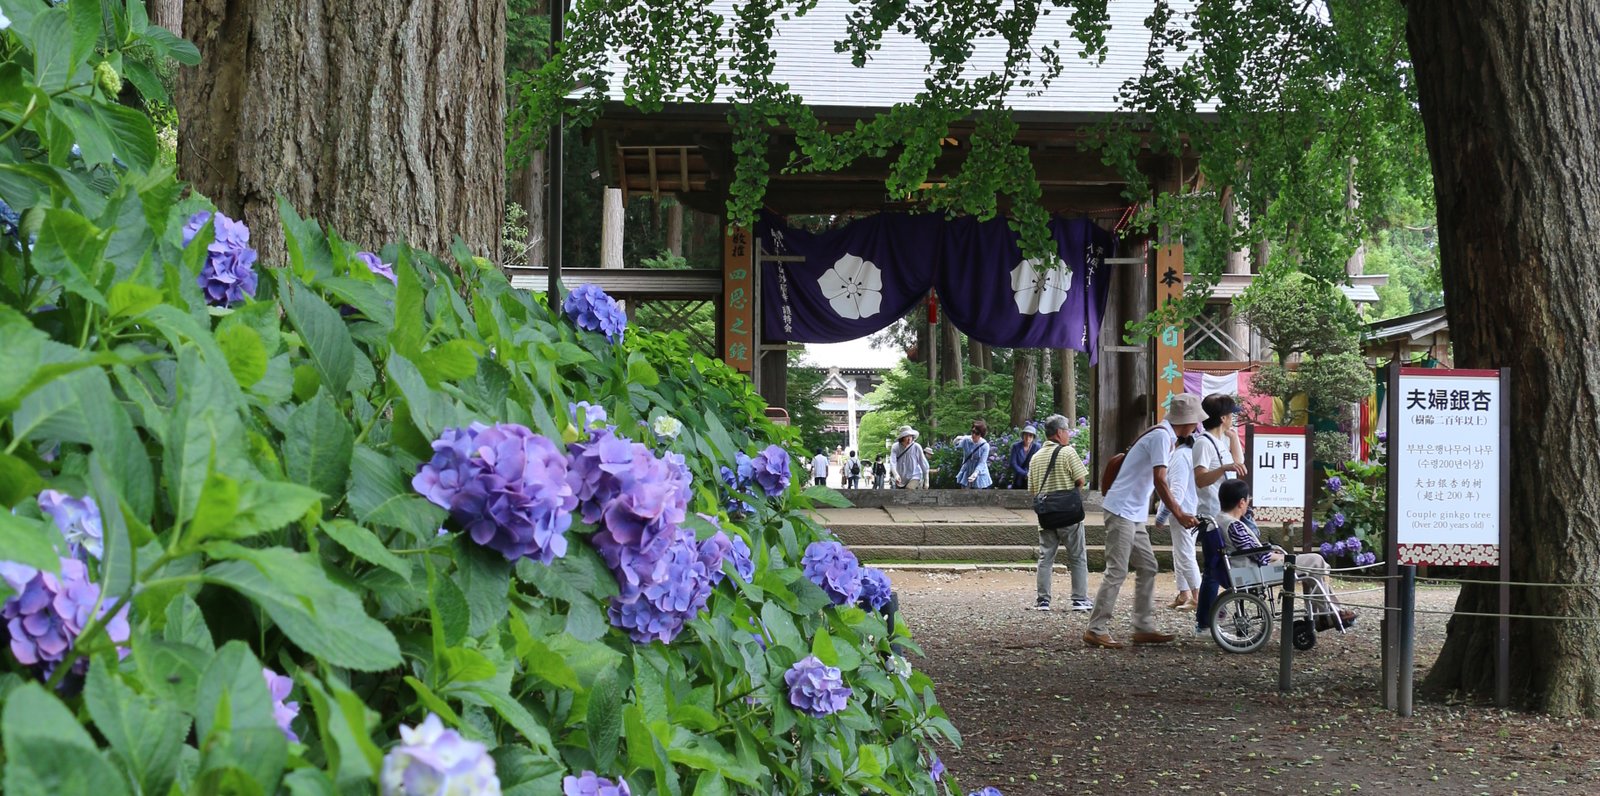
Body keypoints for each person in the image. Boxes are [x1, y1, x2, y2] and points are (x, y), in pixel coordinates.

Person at [1083, 393, 1204, 650]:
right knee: (1117, 570)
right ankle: (1096, 629)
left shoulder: (1165, 435)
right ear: (1190, 422)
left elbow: (1160, 480)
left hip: (1133, 512)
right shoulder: (1161, 437)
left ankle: (1143, 627)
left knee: (1148, 566)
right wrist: (1179, 513)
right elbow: (1161, 479)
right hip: (1122, 509)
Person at [1214, 480, 1357, 630]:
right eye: (1247, 499)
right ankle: (1328, 614)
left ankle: (1324, 614)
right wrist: (1281, 557)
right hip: (1256, 570)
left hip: (1248, 567)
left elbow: (1248, 550)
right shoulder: (1234, 525)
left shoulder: (1221, 519)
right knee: (1316, 561)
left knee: (1314, 568)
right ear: (1242, 502)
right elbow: (1257, 555)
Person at [1192, 394, 1249, 635]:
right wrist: (1223, 468)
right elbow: (1201, 479)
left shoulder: (1219, 441)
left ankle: (1211, 618)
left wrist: (1233, 436)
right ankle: (1204, 624)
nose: (1234, 418)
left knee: (1222, 569)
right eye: (1231, 414)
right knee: (1213, 571)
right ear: (1223, 417)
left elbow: (1239, 463)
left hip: (1228, 516)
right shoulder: (1203, 443)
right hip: (1213, 517)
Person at [1028, 415, 1092, 612]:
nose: (1069, 435)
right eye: (1067, 431)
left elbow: (1032, 489)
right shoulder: (1067, 452)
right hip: (1068, 513)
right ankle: (1079, 599)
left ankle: (1043, 600)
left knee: (1045, 557)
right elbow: (1081, 480)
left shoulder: (1035, 457)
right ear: (1059, 433)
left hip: (1046, 515)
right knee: (1077, 556)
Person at [1155, 433, 1200, 611]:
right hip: (1191, 508)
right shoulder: (1190, 454)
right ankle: (1184, 593)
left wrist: (1162, 515)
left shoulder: (1180, 456)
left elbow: (1176, 492)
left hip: (1183, 511)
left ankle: (1196, 596)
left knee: (1185, 553)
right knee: (1180, 552)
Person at [955, 420, 993, 489]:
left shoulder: (985, 446)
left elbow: (982, 462)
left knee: (977, 495)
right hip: (967, 470)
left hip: (979, 473)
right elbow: (956, 446)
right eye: (973, 432)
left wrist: (975, 473)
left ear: (981, 434)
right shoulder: (966, 440)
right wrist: (957, 439)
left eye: (977, 433)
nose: (974, 435)